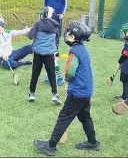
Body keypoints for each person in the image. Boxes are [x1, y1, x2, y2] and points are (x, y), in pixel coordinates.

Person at [33, 21, 100, 156]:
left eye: (68, 34)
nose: (66, 35)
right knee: (85, 117)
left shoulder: (74, 51)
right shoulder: (82, 48)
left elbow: (70, 71)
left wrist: (68, 82)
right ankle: (92, 142)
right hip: (86, 92)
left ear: (74, 37)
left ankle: (51, 146)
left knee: (64, 117)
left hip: (77, 92)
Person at [27, 6, 62, 105]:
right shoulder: (56, 26)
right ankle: (55, 94)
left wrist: (28, 31)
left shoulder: (38, 24)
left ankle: (32, 94)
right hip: (49, 54)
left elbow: (30, 36)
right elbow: (56, 41)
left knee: (35, 74)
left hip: (38, 54)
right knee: (52, 75)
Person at [43, 0, 67, 86]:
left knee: (54, 38)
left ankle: (58, 76)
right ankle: (51, 75)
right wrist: (46, 11)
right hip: (49, 16)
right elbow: (45, 3)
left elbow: (64, 4)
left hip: (57, 16)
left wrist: (62, 13)